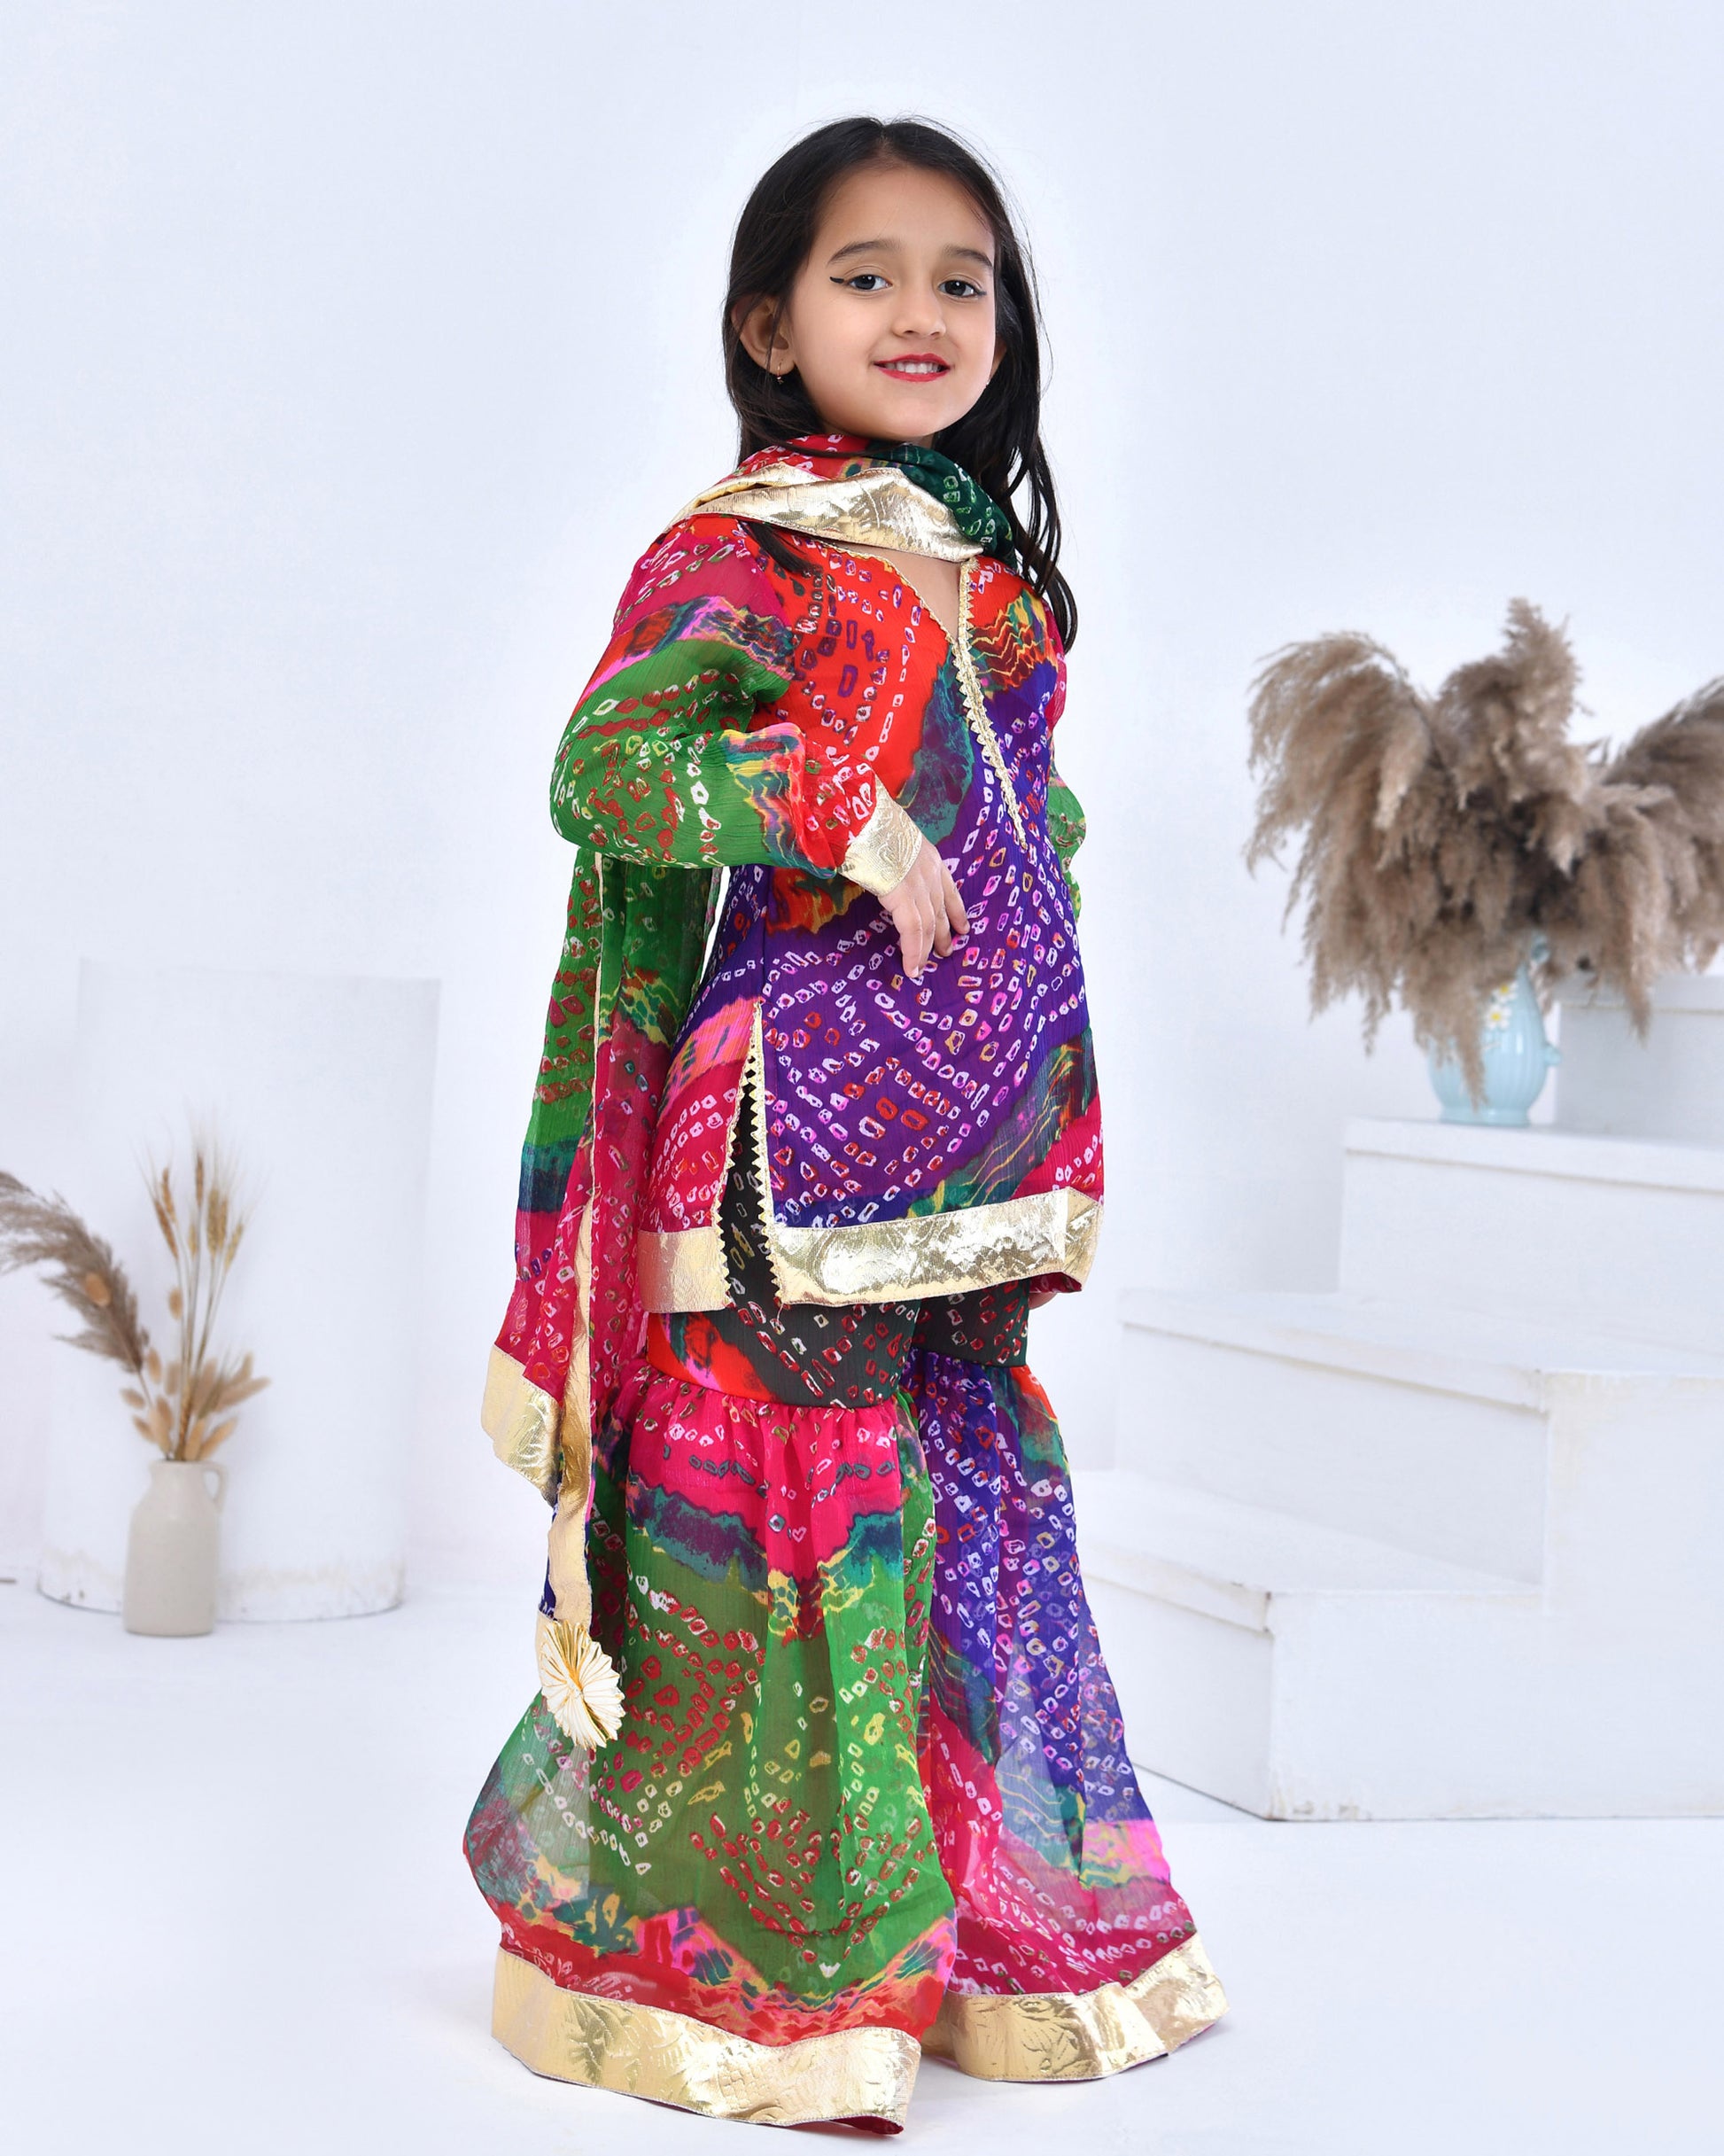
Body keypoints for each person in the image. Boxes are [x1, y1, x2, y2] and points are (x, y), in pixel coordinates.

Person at [463, 114, 1227, 2132]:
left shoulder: (994, 574)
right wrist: (832, 807)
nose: (920, 311)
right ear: (769, 322)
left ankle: (980, 1951)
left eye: (961, 280)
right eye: (866, 274)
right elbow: (608, 767)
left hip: (978, 1142)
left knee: (964, 1496)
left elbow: (1028, 811)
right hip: (785, 1142)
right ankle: (757, 1982)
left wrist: (1028, 939)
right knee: (789, 1514)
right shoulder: (742, 552)